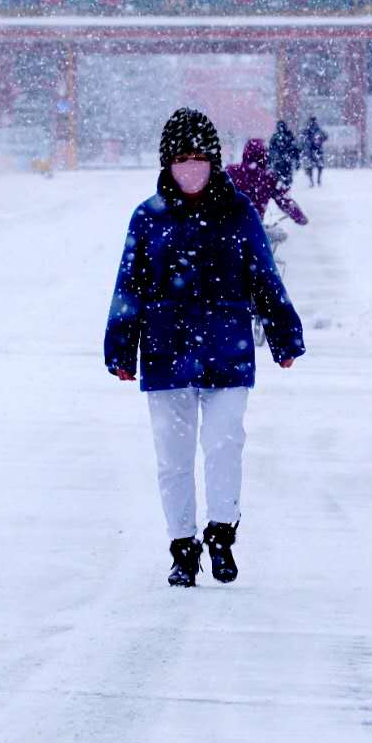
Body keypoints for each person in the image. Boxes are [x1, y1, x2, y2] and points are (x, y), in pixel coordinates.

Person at [105, 109, 305, 588]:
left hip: (227, 350)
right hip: (165, 352)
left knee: (223, 445)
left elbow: (264, 278)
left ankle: (220, 535)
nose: (190, 167)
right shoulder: (148, 217)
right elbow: (128, 286)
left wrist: (283, 335)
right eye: (181, 158)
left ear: (214, 162)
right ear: (166, 163)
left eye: (199, 158)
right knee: (172, 457)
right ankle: (182, 547)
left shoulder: (239, 214)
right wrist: (120, 347)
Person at [226, 138, 309, 226]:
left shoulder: (231, 171)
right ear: (264, 156)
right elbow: (284, 200)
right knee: (280, 235)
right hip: (254, 228)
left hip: (225, 226)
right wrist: (300, 217)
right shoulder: (268, 177)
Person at [269, 121, 300, 189]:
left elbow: (271, 150)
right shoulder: (287, 136)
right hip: (283, 160)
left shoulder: (277, 136)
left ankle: (283, 190)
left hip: (282, 161)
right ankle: (284, 190)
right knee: (283, 178)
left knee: (280, 178)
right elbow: (295, 149)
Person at [302, 116, 329, 187]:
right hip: (316, 150)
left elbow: (302, 138)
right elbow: (325, 137)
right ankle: (317, 180)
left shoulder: (308, 130)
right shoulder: (317, 130)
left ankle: (313, 181)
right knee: (318, 166)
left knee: (310, 166)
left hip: (311, 150)